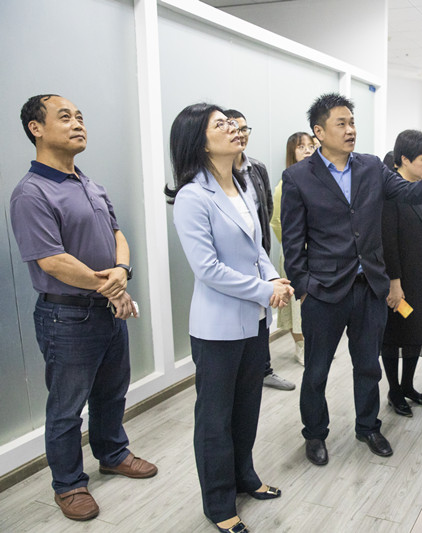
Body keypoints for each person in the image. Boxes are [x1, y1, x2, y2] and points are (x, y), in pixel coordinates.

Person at [280, 93, 422, 466]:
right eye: (341, 123)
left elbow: (409, 192)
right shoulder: (298, 177)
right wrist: (304, 288)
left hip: (369, 286)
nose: (350, 130)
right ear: (319, 131)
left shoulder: (371, 166)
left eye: (352, 122)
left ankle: (368, 426)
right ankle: (315, 433)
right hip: (324, 291)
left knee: (368, 365)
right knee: (317, 371)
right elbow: (292, 242)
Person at [9, 94, 157, 522]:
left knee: (112, 392)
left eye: (80, 117)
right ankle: (69, 484)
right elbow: (51, 260)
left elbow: (117, 234)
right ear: (36, 128)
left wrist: (122, 271)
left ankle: (113, 454)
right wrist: (111, 288)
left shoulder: (90, 184)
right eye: (65, 117)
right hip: (67, 316)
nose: (78, 124)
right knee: (67, 407)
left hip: (107, 308)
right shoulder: (30, 192)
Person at [165, 103, 293, 533]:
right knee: (215, 419)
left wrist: (272, 276)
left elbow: (256, 245)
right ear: (199, 142)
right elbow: (208, 269)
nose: (234, 128)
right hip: (217, 326)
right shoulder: (192, 197)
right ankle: (218, 503)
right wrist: (265, 290)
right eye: (221, 125)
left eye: (233, 123)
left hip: (253, 320)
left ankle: (245, 477)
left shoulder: (242, 184)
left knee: (246, 408)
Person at [223, 109, 294, 392]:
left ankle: (263, 370)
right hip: (232, 261)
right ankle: (242, 373)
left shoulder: (257, 168)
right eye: (233, 128)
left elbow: (266, 209)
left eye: (244, 129)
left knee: (262, 318)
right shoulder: (215, 177)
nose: (240, 134)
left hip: (259, 252)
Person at [381, 131, 422, 417]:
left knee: (416, 333)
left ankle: (408, 385)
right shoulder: (391, 193)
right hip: (400, 280)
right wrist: (395, 283)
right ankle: (394, 390)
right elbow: (388, 242)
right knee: (395, 335)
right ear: (404, 159)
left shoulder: (421, 189)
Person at [270, 132, 316, 366]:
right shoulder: (285, 184)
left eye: (311, 146)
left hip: (317, 254)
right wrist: (296, 246)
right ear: (292, 152)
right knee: (297, 304)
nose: (307, 150)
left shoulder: (320, 180)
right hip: (295, 254)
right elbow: (276, 222)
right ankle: (300, 346)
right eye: (301, 147)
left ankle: (314, 344)